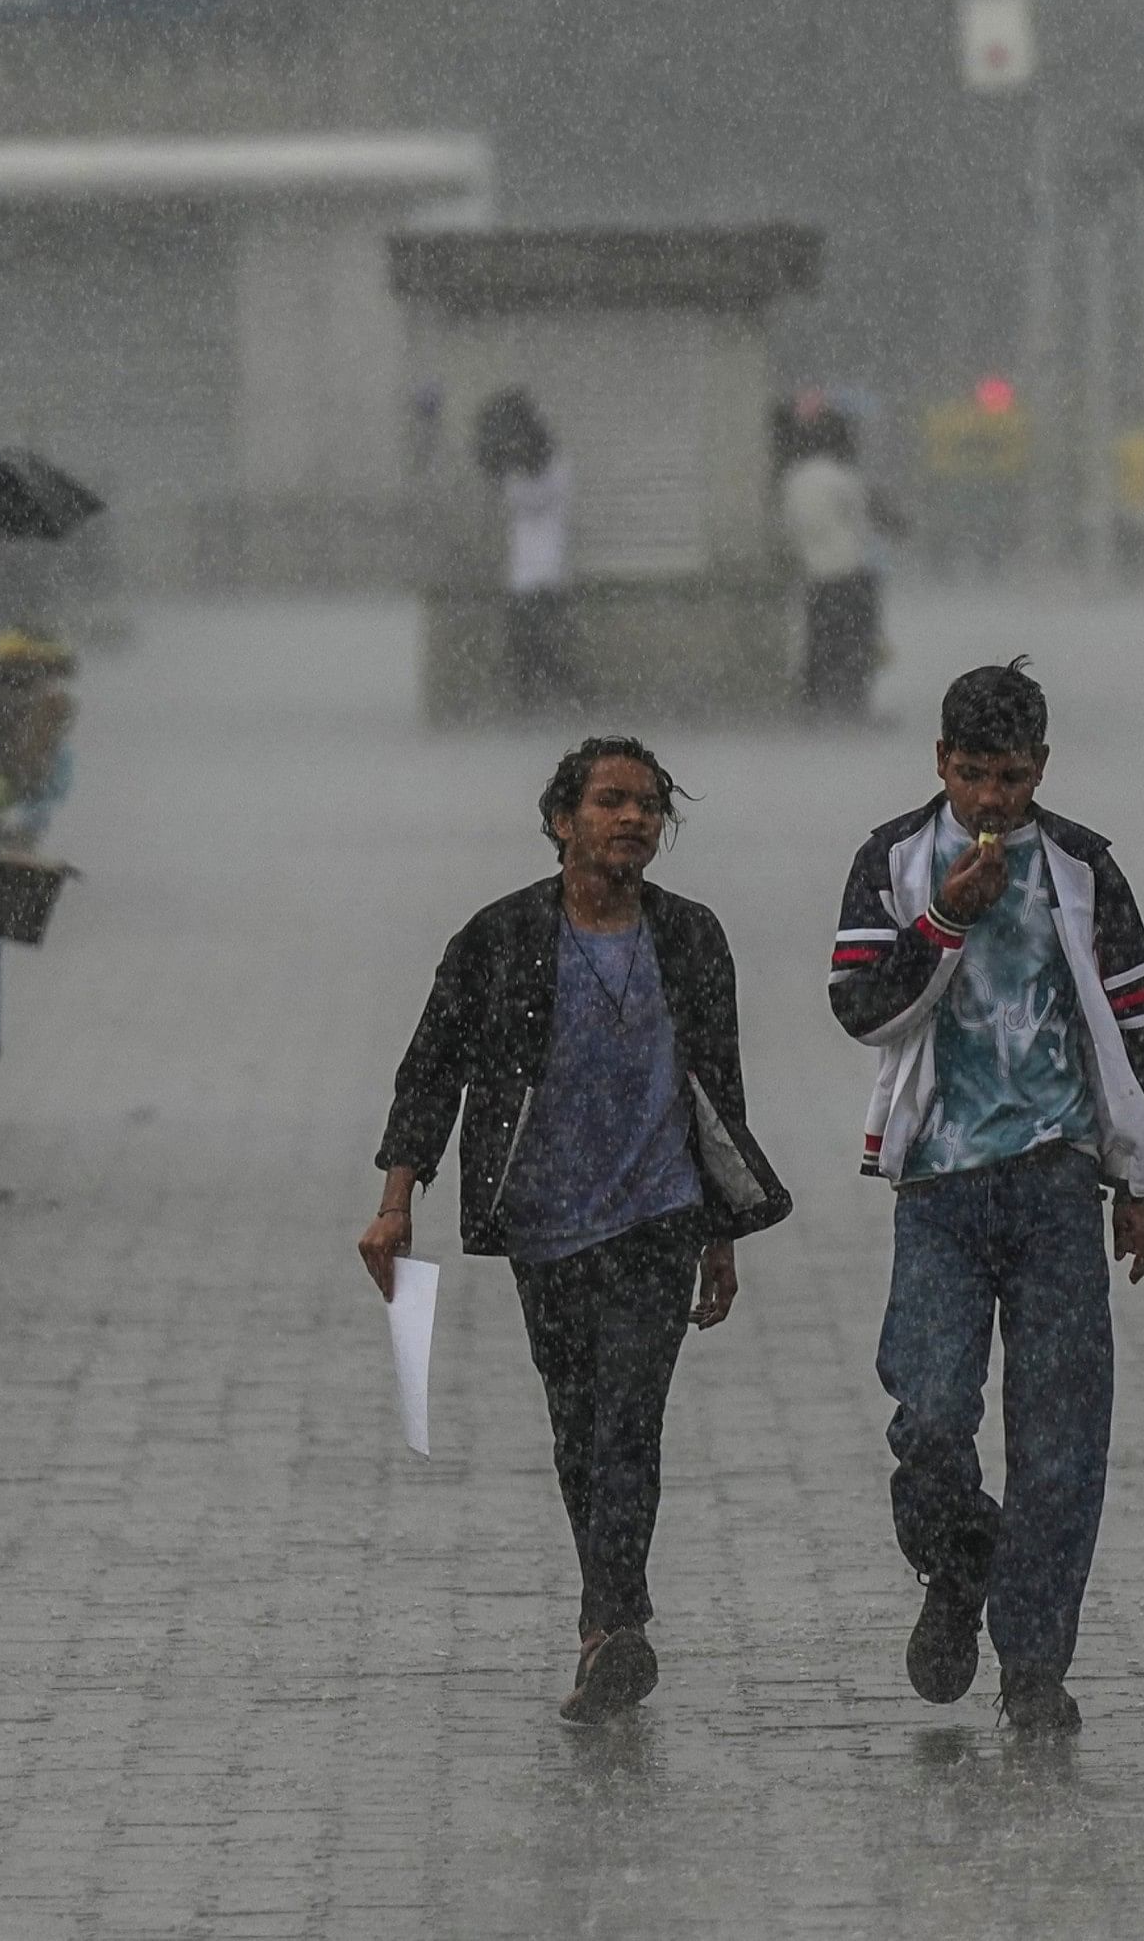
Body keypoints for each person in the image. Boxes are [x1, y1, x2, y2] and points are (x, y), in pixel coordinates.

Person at [362, 736, 793, 1722]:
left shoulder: (690, 939)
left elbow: (717, 1093)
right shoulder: (501, 939)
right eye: (608, 802)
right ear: (563, 820)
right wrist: (396, 1202)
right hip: (546, 1223)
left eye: (646, 805)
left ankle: (613, 1621)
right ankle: (610, 1619)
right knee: (577, 1424)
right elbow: (431, 1071)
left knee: (629, 1419)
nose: (631, 819)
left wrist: (722, 1230)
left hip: (659, 1216)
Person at [827, 661, 1144, 1735]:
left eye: (1012, 778)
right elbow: (858, 1007)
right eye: (972, 776)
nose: (991, 801)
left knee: (1062, 1439)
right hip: (936, 1185)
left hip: (1057, 1181)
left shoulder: (1082, 866)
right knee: (930, 1414)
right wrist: (939, 924)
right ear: (940, 764)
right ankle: (957, 1556)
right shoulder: (893, 859)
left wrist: (1139, 1177)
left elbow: (1136, 1030)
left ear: (1041, 770)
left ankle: (1035, 1664)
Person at [777, 400, 878, 720]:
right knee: (854, 644)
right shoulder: (842, 478)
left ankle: (815, 703)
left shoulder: (792, 481)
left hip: (815, 577)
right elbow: (861, 524)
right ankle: (854, 703)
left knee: (819, 643)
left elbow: (788, 531)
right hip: (849, 572)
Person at [479, 387, 576, 710]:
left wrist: (514, 468)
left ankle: (546, 691)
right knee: (527, 645)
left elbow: (538, 497)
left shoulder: (551, 471)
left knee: (540, 644)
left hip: (545, 573)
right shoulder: (521, 476)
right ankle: (533, 693)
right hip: (525, 576)